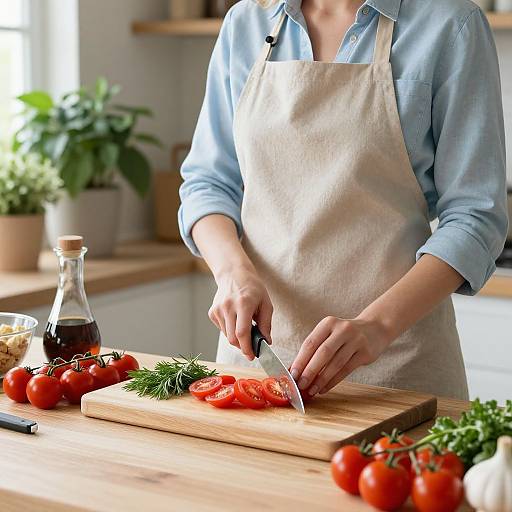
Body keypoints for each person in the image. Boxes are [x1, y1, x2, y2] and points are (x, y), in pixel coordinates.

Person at [178, 0, 508, 400]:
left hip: (397, 365)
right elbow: (208, 183)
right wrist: (232, 273)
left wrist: (377, 326)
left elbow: (475, 217)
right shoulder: (245, 23)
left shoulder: (451, 26)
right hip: (259, 365)